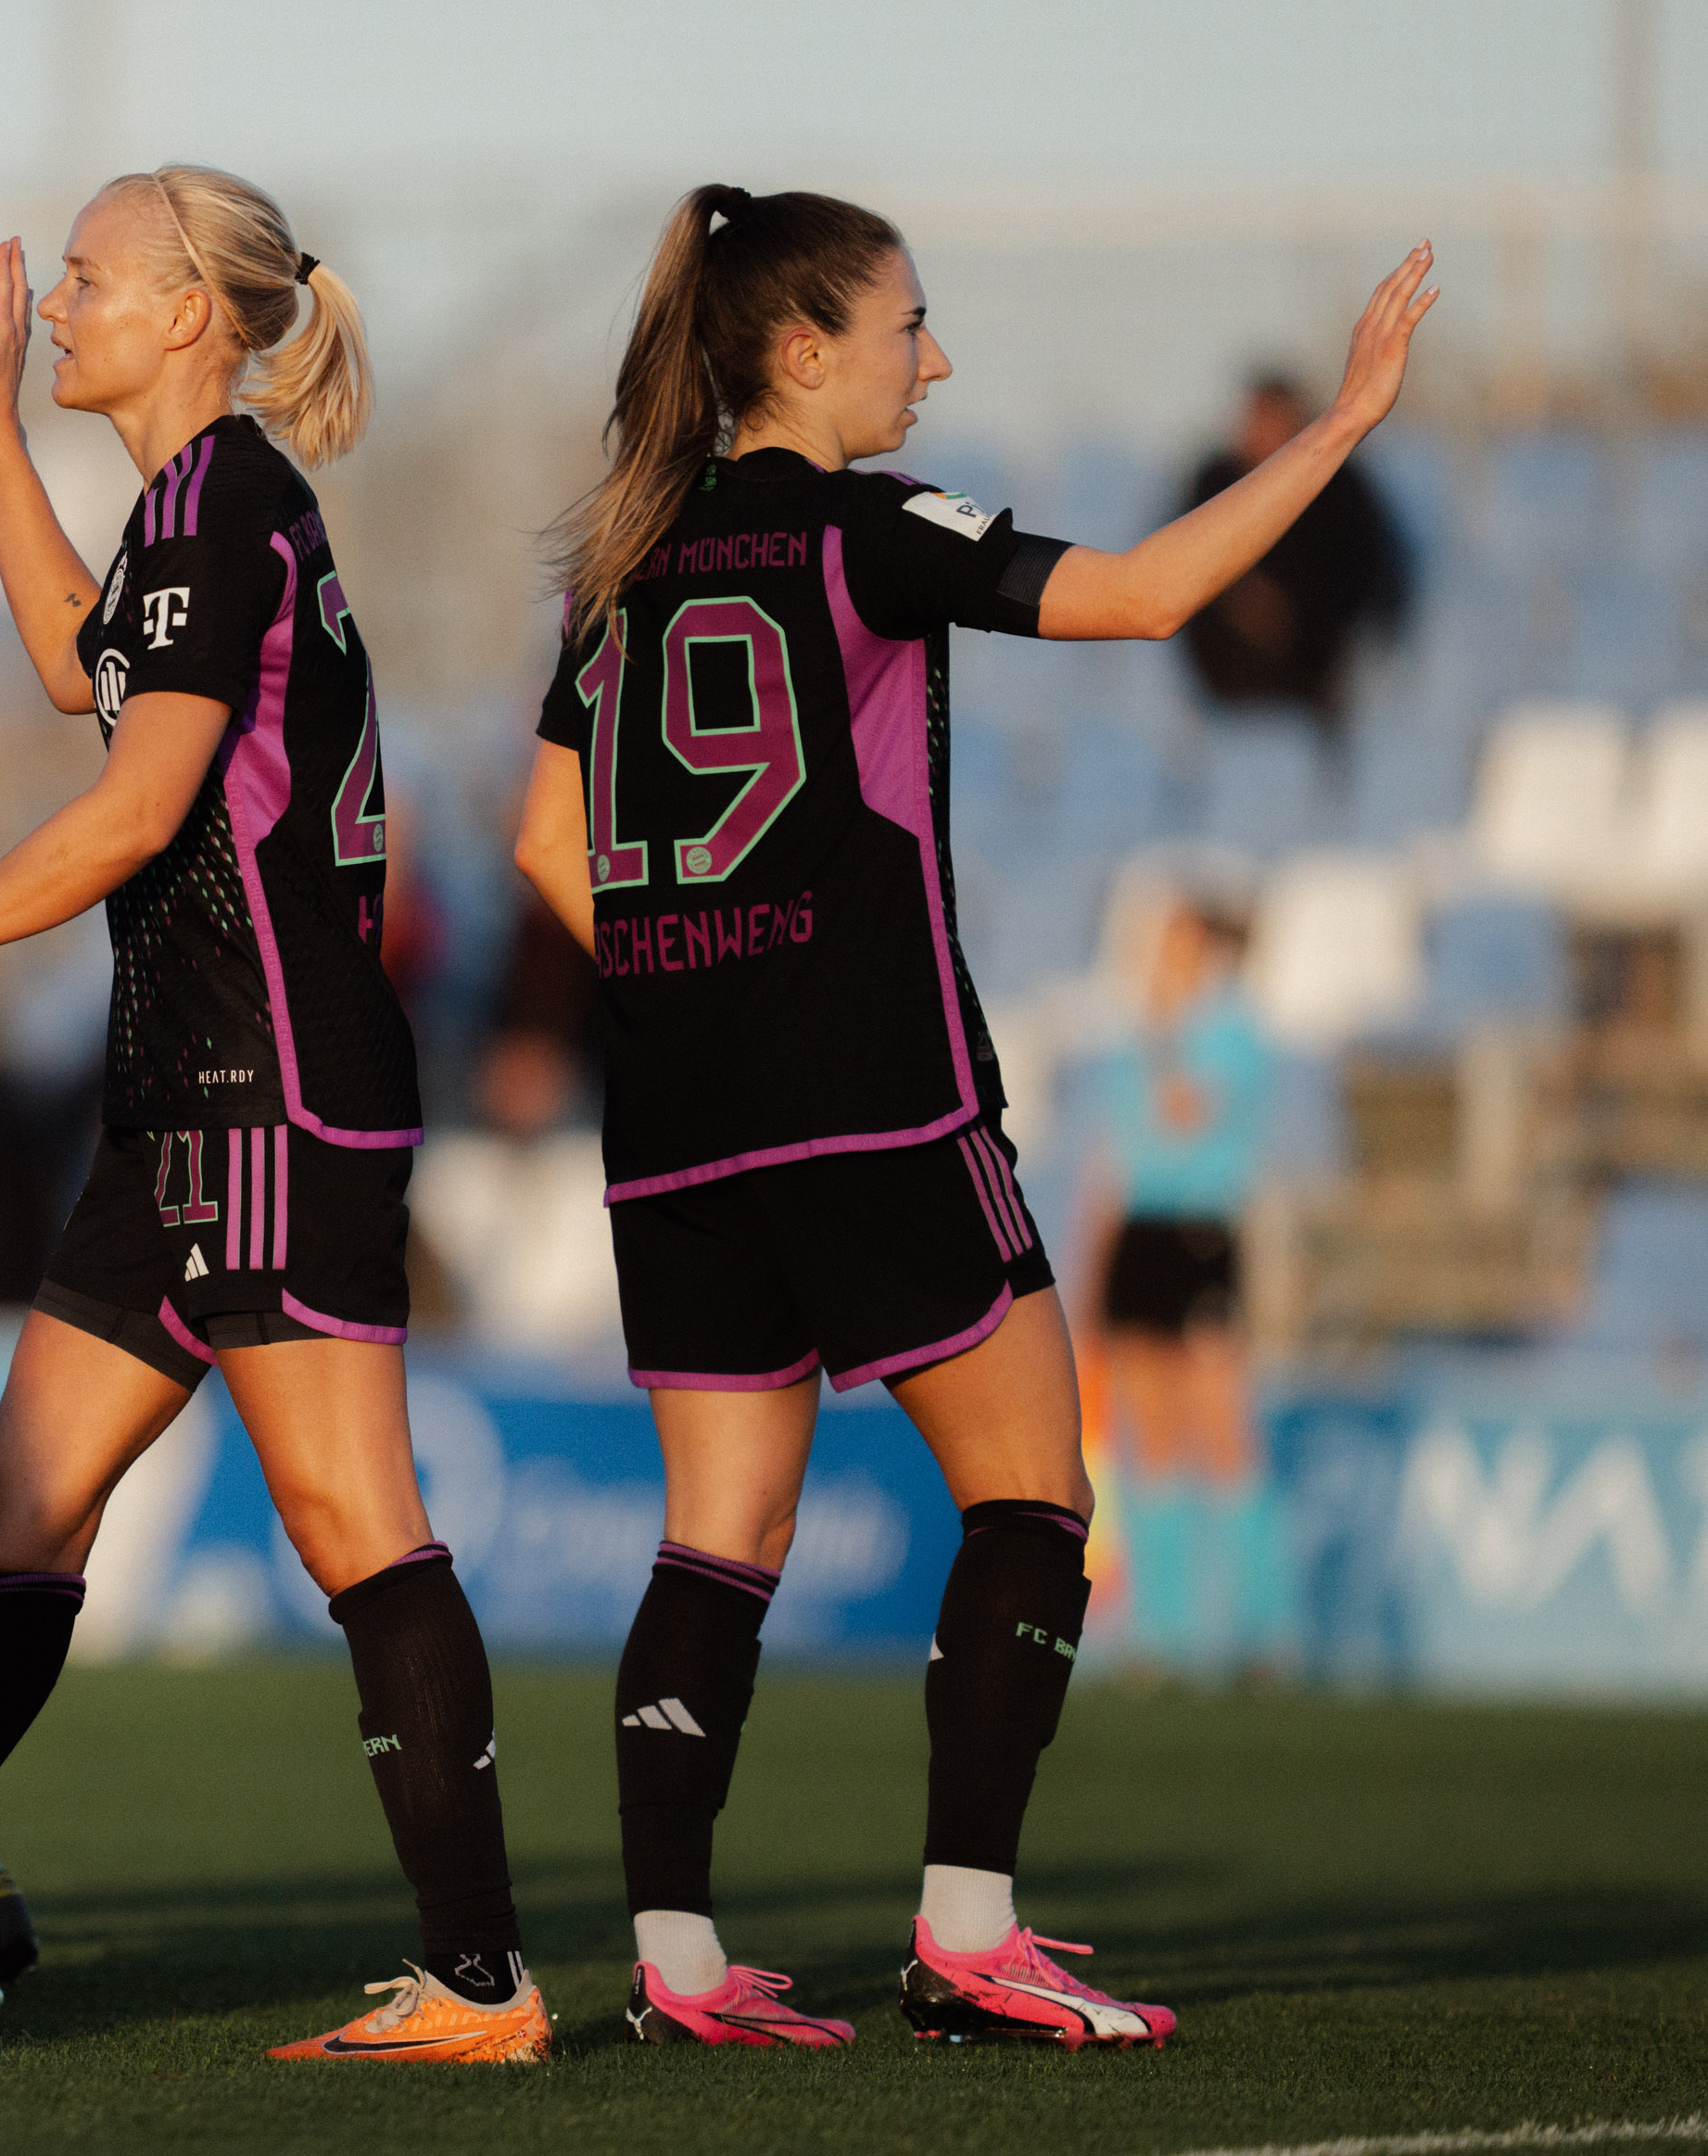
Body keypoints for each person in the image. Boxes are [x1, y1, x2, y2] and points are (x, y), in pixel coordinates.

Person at [0, 167, 551, 2062]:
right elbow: (77, 663)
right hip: (183, 1106)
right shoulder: (184, 510)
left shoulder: (230, 505)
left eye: (86, 278)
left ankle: (483, 1978)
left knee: (346, 1509)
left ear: (193, 315)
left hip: (276, 1092)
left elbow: (136, 809)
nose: (57, 302)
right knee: (18, 1501)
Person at [510, 184, 1431, 2050]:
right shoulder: (866, 532)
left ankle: (676, 1964)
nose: (937, 358)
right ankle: (967, 1935)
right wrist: (1341, 427)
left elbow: (544, 844)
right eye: (908, 324)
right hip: (871, 1099)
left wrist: (701, 993)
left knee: (716, 1539)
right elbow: (1158, 595)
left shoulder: (625, 559)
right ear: (800, 350)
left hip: (676, 1120)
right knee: (1034, 1489)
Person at [1088, 898, 1290, 1680]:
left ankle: (1263, 1632)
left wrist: (1166, 1033)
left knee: (1224, 1433)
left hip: (1201, 1236)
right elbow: (1115, 1160)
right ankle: (1160, 1635)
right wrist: (1093, 1265)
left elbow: (1181, 1115)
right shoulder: (1135, 1040)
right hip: (1140, 1241)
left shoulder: (1231, 1031)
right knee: (1155, 1442)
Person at [1177, 373, 1411, 743]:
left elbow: (1366, 572)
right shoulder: (1213, 482)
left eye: (1276, 420)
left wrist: (1292, 611)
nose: (1264, 434)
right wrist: (1238, 595)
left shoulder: (1340, 485)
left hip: (1314, 670)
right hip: (1223, 677)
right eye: (1258, 421)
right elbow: (1176, 564)